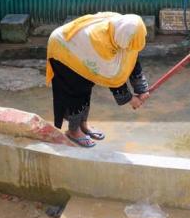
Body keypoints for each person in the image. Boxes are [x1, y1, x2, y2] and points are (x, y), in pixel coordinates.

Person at [45, 13, 150, 148]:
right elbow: (112, 78)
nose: (131, 48)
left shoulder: (122, 29)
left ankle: (83, 125)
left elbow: (132, 56)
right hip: (64, 50)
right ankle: (73, 131)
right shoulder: (102, 44)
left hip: (82, 49)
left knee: (86, 87)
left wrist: (141, 88)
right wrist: (130, 99)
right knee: (76, 91)